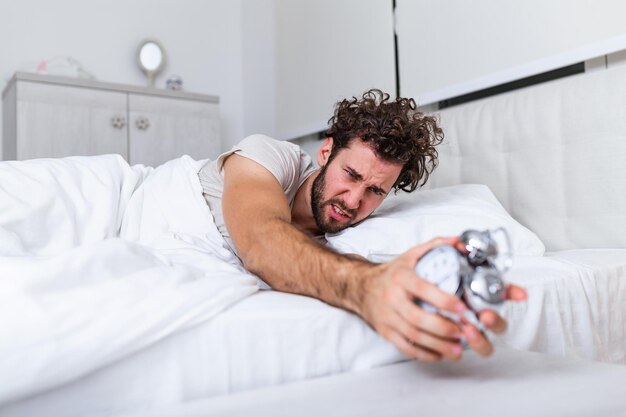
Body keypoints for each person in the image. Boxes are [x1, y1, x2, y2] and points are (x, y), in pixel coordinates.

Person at [198, 89, 527, 362]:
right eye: (351, 175)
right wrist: (366, 287)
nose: (354, 201)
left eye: (375, 191)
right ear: (326, 152)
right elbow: (261, 242)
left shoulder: (354, 238)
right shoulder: (267, 156)